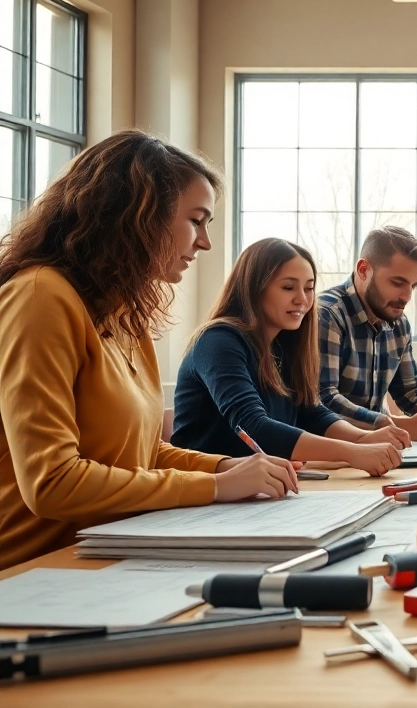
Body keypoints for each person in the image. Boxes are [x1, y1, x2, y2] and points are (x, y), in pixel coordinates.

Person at [0, 131, 298, 572]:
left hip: (108, 554)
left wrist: (225, 468)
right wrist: (215, 487)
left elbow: (139, 453)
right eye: (196, 220)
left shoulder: (125, 314)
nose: (205, 242)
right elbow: (54, 483)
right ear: (139, 215)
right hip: (34, 572)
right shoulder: (40, 296)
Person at [173, 239, 410, 476]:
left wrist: (364, 438)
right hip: (201, 491)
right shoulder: (218, 340)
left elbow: (311, 412)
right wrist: (352, 451)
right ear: (254, 288)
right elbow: (255, 426)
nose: (303, 299)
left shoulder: (282, 344)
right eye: (288, 287)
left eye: (309, 288)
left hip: (254, 490)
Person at [317, 226, 417, 442]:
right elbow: (322, 400)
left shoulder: (398, 321)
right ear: (363, 270)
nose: (407, 296)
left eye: (413, 286)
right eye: (397, 283)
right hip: (332, 451)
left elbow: (410, 388)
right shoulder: (327, 315)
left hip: (381, 449)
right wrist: (393, 424)